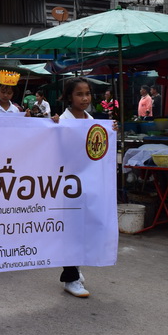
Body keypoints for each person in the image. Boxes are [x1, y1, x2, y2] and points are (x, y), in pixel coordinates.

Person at [52, 77, 117, 298]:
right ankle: (70, 277)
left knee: (85, 229)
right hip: (68, 184)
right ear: (69, 97)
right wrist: (52, 128)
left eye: (87, 93)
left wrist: (112, 131)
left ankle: (76, 268)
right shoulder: (62, 121)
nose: (85, 98)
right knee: (71, 230)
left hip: (90, 185)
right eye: (79, 94)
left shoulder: (93, 123)